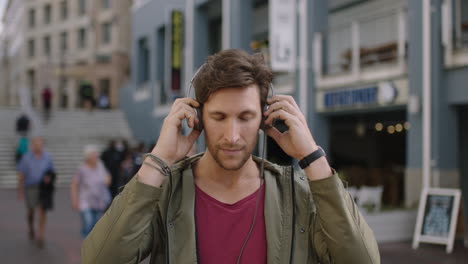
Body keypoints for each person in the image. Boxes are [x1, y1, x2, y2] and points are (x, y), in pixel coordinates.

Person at [82, 49, 380, 263]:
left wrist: (312, 157)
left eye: (245, 117)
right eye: (219, 116)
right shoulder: (166, 192)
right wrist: (159, 159)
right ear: (197, 118)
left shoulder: (298, 193)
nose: (233, 135)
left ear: (264, 119)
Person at [17, 137, 54, 249]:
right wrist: (20, 191)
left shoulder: (47, 157)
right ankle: (31, 227)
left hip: (43, 188)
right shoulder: (26, 157)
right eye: (36, 144)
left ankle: (40, 235)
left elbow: (52, 171)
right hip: (30, 187)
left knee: (43, 211)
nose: (38, 146)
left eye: (40, 144)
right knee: (31, 211)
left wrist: (49, 177)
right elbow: (21, 175)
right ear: (32, 145)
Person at [71, 145, 112, 238]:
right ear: (88, 156)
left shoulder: (100, 166)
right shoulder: (82, 169)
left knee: (96, 225)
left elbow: (108, 177)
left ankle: (91, 243)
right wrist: (74, 200)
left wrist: (107, 181)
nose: (96, 157)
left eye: (96, 155)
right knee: (88, 222)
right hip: (85, 201)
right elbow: (74, 184)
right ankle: (86, 241)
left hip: (99, 201)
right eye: (94, 155)